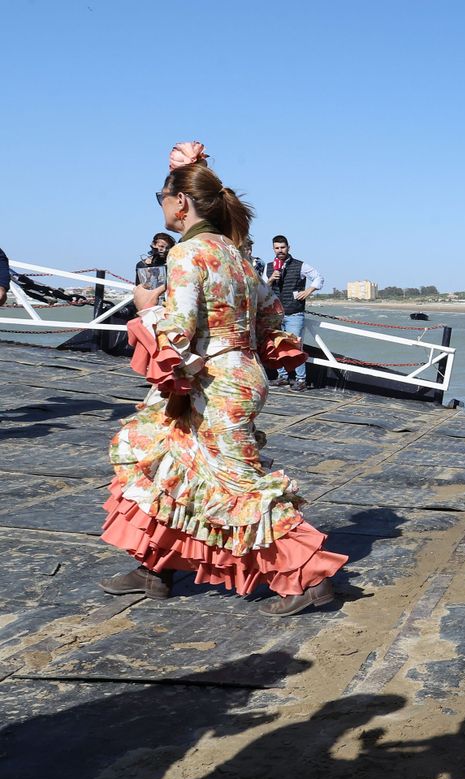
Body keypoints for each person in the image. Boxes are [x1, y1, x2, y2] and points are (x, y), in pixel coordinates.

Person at [98, 141, 347, 617]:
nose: (162, 206)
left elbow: (180, 329)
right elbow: (272, 316)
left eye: (162, 197)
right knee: (167, 462)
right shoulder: (236, 255)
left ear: (182, 203)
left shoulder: (188, 254)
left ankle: (308, 577)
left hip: (215, 383)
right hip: (238, 373)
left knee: (238, 484)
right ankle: (154, 567)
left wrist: (147, 310)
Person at [263, 234, 323, 391]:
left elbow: (319, 278)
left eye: (283, 247)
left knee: (295, 346)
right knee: (277, 346)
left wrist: (309, 290)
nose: (280, 250)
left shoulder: (300, 265)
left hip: (294, 313)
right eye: (277, 248)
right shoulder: (269, 267)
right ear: (273, 249)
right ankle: (282, 377)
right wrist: (270, 279)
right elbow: (262, 288)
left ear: (288, 248)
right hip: (275, 314)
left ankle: (301, 379)